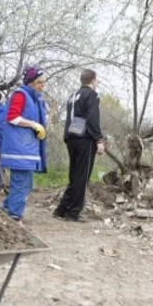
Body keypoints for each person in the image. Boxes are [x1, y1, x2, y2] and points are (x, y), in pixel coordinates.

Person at [54, 69, 106, 222]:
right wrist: (99, 140)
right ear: (92, 80)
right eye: (97, 80)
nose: (97, 83)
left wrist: (66, 137)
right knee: (82, 177)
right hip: (85, 139)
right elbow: (92, 118)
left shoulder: (73, 95)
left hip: (71, 137)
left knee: (74, 174)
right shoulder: (92, 95)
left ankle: (61, 209)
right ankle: (73, 213)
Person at [0, 65, 48, 226]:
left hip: (27, 149)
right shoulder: (20, 95)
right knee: (20, 184)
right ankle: (14, 217)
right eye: (40, 82)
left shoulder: (34, 98)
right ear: (32, 83)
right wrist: (33, 125)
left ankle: (6, 208)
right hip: (18, 149)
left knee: (26, 185)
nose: (43, 85)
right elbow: (12, 117)